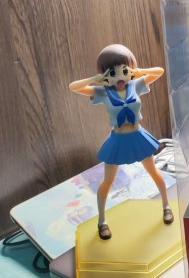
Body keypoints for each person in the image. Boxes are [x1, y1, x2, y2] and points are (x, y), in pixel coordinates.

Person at [69, 44, 173, 240]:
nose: (120, 77)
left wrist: (138, 71)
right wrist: (95, 79)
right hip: (117, 140)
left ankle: (166, 206)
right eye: (113, 72)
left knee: (154, 172)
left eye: (124, 71)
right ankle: (102, 221)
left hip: (138, 137)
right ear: (105, 74)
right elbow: (73, 87)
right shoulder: (103, 92)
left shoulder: (136, 85)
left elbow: (159, 71)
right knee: (107, 181)